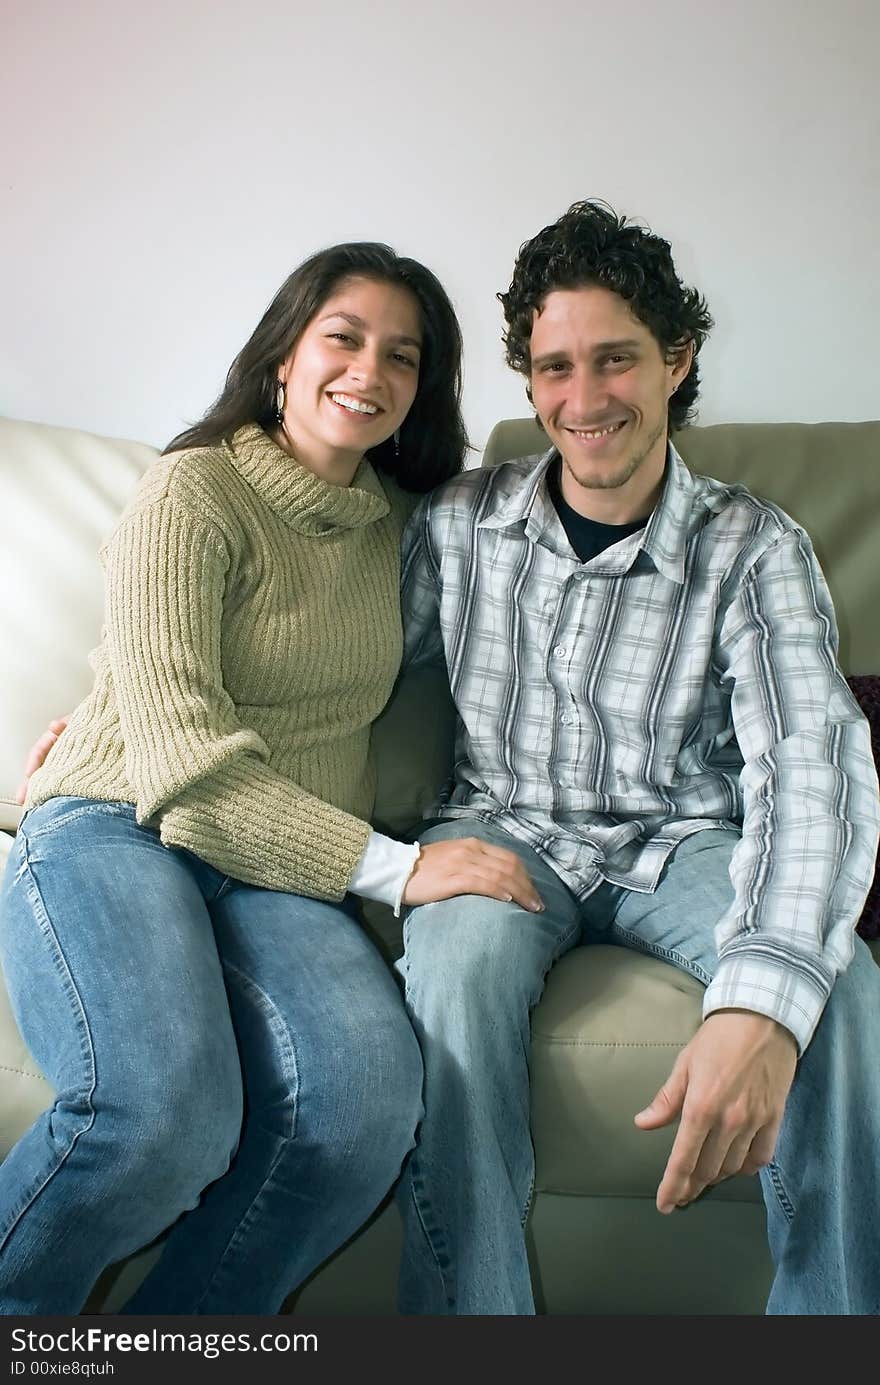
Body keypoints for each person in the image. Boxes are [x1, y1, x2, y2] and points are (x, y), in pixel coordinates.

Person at [0, 241, 542, 1315]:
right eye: (344, 337)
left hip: (276, 870)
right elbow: (182, 770)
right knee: (160, 1117)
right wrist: (401, 868)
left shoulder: (402, 524)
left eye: (404, 356)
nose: (370, 371)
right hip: (123, 824)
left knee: (362, 1115)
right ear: (285, 353)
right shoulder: (190, 489)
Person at [393, 200, 880, 1314]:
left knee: (838, 987)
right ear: (527, 379)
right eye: (553, 367)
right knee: (453, 974)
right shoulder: (458, 523)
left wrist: (759, 998)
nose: (582, 398)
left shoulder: (756, 547)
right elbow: (345, 670)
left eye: (614, 359)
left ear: (676, 358)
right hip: (500, 827)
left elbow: (811, 765)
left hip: (685, 841)